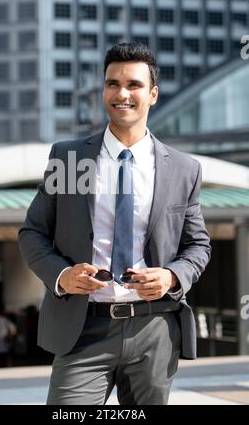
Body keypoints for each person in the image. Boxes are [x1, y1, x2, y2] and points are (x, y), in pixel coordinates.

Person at [18, 42, 211, 405]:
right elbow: (33, 232)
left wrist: (172, 277)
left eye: (134, 85)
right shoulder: (70, 158)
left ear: (152, 94)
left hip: (155, 328)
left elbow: (198, 246)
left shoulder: (184, 169)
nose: (122, 93)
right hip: (83, 327)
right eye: (112, 84)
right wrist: (62, 276)